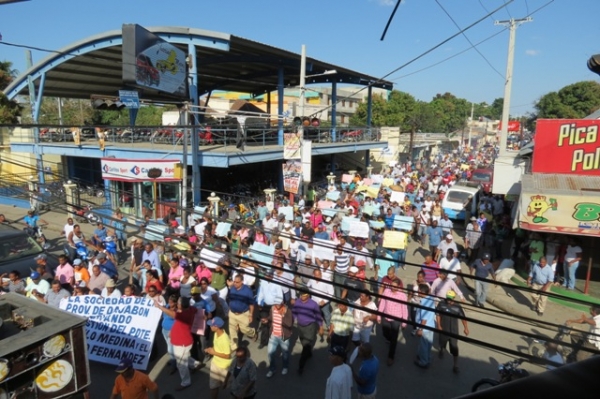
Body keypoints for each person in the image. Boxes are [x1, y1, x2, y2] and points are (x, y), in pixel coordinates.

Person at [154, 296, 202, 390]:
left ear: (181, 305)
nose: (177, 304)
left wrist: (159, 307)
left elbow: (172, 314)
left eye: (179, 303)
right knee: (184, 357)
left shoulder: (183, 315)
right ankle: (196, 364)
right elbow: (196, 310)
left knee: (181, 364)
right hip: (181, 341)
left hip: (182, 343)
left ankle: (186, 382)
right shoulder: (190, 309)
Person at [435, 290, 469, 373]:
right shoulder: (442, 304)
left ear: (454, 298)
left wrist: (466, 328)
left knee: (454, 347)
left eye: (451, 299)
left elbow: (463, 318)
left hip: (454, 331)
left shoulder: (457, 307)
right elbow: (438, 315)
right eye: (448, 298)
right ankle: (442, 349)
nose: (449, 300)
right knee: (442, 342)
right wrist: (439, 325)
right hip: (443, 329)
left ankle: (455, 365)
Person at [377, 281, 407, 366]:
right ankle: (390, 340)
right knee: (385, 332)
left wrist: (404, 322)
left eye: (395, 286)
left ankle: (391, 356)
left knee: (394, 338)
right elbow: (382, 303)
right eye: (392, 286)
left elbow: (404, 308)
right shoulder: (386, 292)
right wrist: (379, 316)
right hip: (386, 317)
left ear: (398, 287)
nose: (393, 288)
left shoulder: (402, 296)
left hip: (396, 319)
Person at [293, 290, 323, 374]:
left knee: (305, 346)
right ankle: (309, 353)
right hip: (300, 327)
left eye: (304, 295)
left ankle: (301, 366)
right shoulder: (297, 302)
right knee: (303, 343)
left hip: (310, 327)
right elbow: (294, 313)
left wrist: (321, 327)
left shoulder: (313, 304)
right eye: (301, 295)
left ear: (308, 295)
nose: (302, 297)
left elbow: (318, 316)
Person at [265, 295, 293, 378]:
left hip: (283, 336)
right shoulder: (272, 309)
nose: (276, 305)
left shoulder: (288, 311)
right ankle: (272, 369)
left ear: (282, 303)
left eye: (278, 303)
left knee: (285, 353)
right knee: (270, 353)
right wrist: (267, 320)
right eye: (275, 303)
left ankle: (285, 367)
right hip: (273, 335)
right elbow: (271, 318)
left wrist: (283, 315)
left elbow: (289, 324)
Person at [205, 317, 232, 399]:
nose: (210, 326)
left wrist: (214, 352)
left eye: (211, 325)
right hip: (215, 363)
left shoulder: (225, 339)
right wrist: (211, 349)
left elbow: (227, 355)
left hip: (224, 367)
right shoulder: (216, 334)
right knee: (213, 386)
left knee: (228, 385)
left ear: (216, 327)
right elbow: (217, 347)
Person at [228, 275, 257, 349]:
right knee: (232, 331)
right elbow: (230, 299)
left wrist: (250, 315)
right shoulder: (232, 289)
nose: (235, 283)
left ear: (242, 282)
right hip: (232, 313)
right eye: (234, 282)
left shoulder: (248, 291)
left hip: (243, 314)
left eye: (237, 282)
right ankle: (234, 346)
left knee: (245, 329)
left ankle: (253, 333)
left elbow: (251, 304)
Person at [349, 293, 377, 364]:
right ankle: (360, 349)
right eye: (360, 295)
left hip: (366, 328)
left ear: (367, 297)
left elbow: (375, 316)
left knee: (366, 343)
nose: (360, 297)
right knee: (354, 340)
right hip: (356, 326)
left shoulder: (372, 305)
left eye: (362, 296)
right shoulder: (357, 302)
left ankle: (366, 355)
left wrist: (369, 317)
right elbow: (352, 310)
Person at [414, 283, 436, 369]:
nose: (418, 292)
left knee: (423, 345)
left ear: (422, 292)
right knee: (428, 345)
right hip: (431, 326)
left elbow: (424, 318)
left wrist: (420, 329)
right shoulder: (430, 299)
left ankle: (423, 362)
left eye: (419, 290)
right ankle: (428, 358)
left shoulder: (424, 302)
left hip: (425, 328)